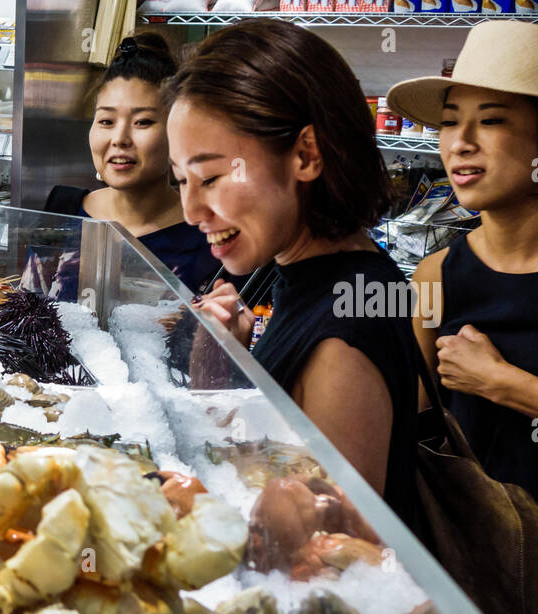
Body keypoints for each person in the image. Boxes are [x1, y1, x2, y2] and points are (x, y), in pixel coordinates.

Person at [164, 20, 420, 525]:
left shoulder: (343, 338)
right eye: (181, 181)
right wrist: (219, 369)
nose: (192, 210)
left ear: (306, 154)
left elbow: (328, 557)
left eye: (211, 178)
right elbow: (259, 461)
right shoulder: (294, 271)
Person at [388, 20, 538, 614]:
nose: (460, 143)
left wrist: (503, 384)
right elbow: (411, 427)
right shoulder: (434, 277)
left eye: (492, 120)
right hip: (479, 571)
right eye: (451, 121)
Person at [45, 34, 221, 294]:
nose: (119, 139)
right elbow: (29, 316)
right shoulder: (63, 209)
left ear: (178, 130)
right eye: (106, 121)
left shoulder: (209, 233)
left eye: (143, 122)